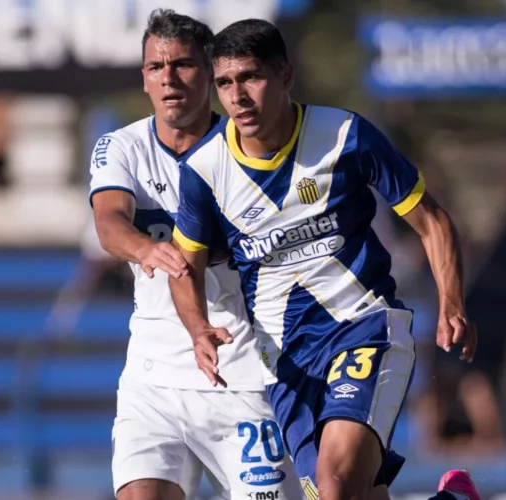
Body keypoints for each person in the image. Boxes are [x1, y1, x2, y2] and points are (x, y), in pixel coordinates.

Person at [168, 18, 480, 500]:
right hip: (284, 365)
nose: (238, 96)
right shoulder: (203, 171)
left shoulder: (345, 135)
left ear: (286, 76)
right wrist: (197, 327)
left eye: (250, 77)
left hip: (363, 329)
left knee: (335, 486)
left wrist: (452, 303)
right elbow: (183, 266)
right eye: (225, 83)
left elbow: (432, 221)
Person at [89, 10, 301, 500]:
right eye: (154, 68)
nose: (169, 79)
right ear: (143, 79)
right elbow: (109, 223)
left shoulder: (246, 148)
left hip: (242, 372)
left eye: (183, 65)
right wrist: (150, 249)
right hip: (154, 378)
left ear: (209, 73)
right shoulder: (120, 147)